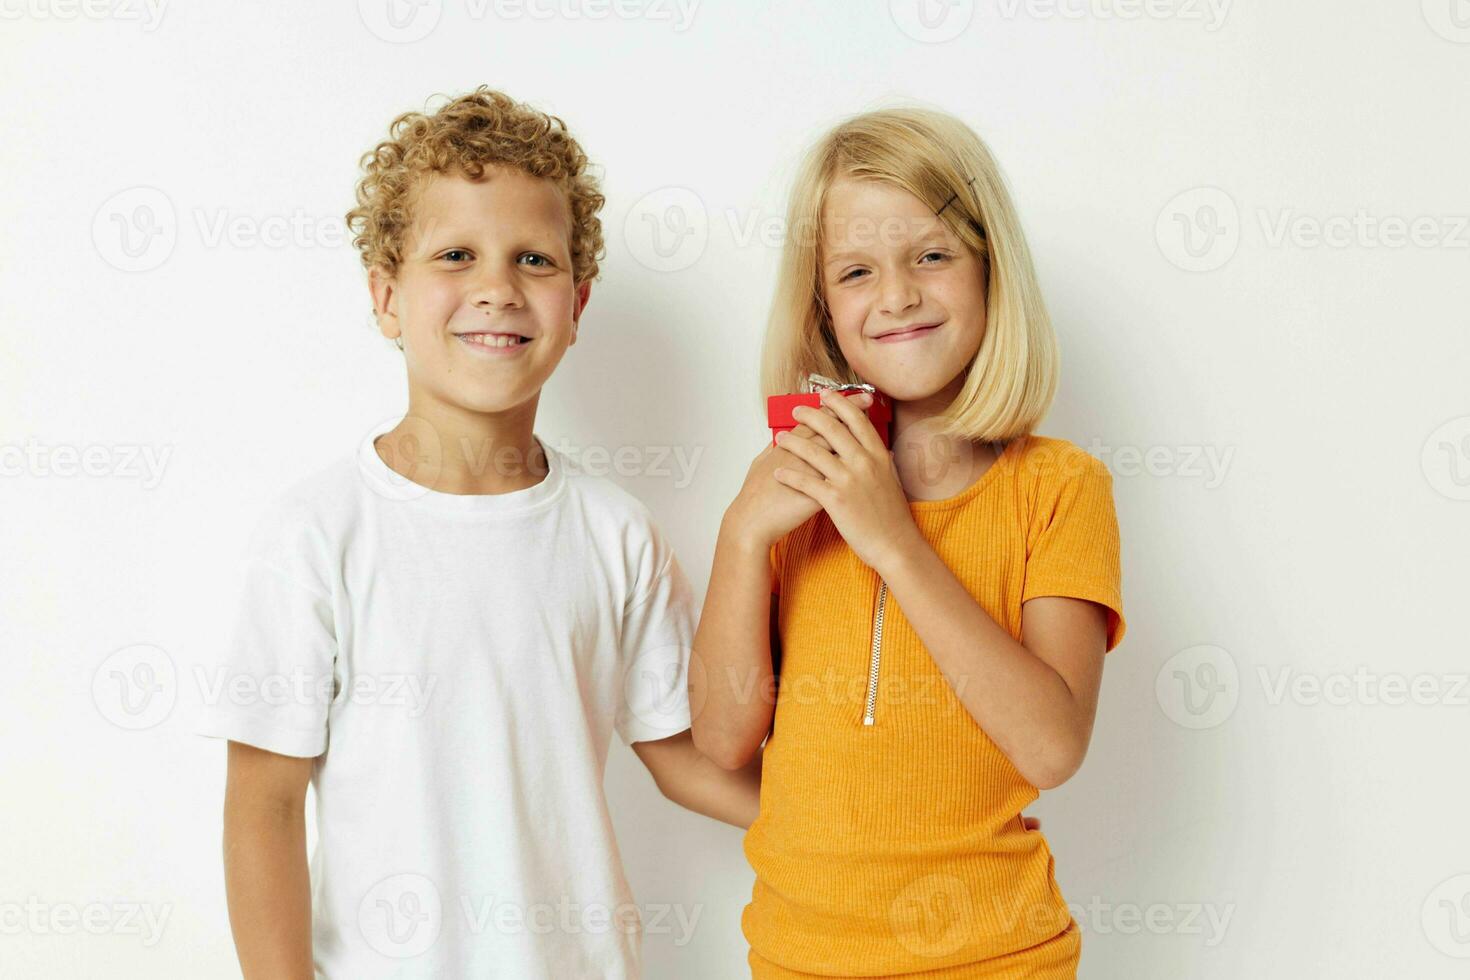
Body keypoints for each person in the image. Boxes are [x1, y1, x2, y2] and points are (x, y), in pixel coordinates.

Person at [197, 86, 760, 979]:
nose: (496, 288)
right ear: (387, 297)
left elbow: (684, 758)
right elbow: (263, 803)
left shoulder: (617, 535)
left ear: (578, 303)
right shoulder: (318, 533)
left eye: (533, 259)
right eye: (455, 254)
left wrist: (874, 818)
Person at [691, 106, 1127, 978]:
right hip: (795, 958)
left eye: (931, 255)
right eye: (857, 271)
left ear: (991, 271)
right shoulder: (789, 491)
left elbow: (1052, 746)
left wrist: (894, 539)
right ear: (822, 308)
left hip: (998, 959)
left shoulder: (1059, 487)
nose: (897, 295)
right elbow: (723, 740)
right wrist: (740, 539)